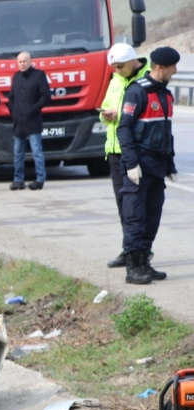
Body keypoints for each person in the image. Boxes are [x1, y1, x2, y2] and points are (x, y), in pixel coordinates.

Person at [116, 46, 179, 285]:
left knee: (152, 217)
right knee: (135, 217)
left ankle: (145, 262)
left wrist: (170, 164)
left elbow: (166, 132)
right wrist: (131, 163)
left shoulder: (166, 95)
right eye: (173, 67)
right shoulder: (137, 92)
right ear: (160, 68)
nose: (175, 71)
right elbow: (124, 129)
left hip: (157, 167)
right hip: (139, 166)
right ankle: (133, 268)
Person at [100, 43, 150, 269]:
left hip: (136, 150)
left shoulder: (145, 81)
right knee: (123, 205)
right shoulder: (116, 80)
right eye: (114, 68)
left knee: (139, 206)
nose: (117, 71)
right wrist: (107, 116)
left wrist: (119, 114)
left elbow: (143, 113)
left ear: (132, 61)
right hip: (115, 150)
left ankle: (142, 251)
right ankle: (129, 248)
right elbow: (105, 108)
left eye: (120, 67)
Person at [7, 52, 53, 190]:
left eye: (24, 61)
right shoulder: (15, 76)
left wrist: (34, 108)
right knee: (18, 152)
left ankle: (40, 179)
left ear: (30, 61)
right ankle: (18, 180)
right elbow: (11, 97)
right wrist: (13, 111)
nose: (22, 64)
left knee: (36, 151)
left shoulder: (39, 75)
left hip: (33, 119)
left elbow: (46, 96)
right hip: (18, 121)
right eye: (20, 62)